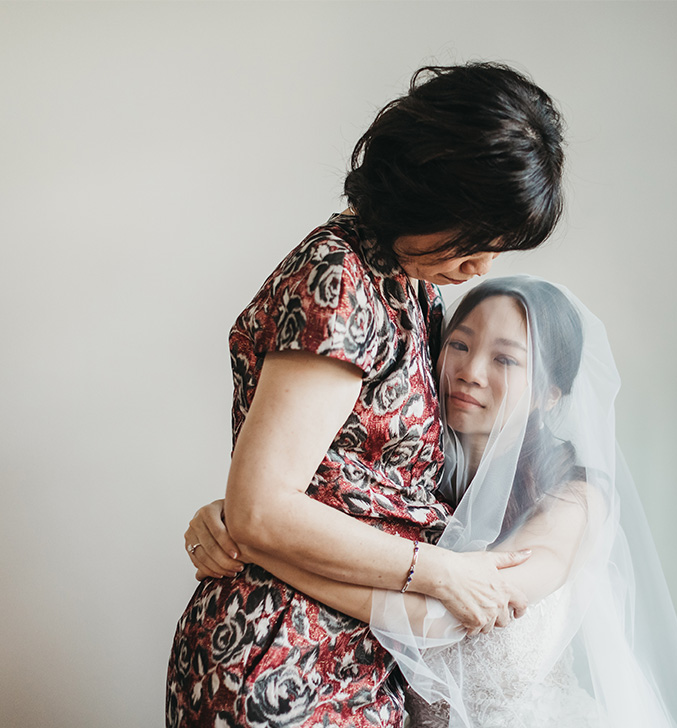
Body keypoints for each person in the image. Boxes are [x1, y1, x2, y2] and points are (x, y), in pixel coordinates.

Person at [166, 63, 565, 728]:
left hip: (348, 653)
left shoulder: (413, 285)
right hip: (282, 661)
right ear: (424, 187)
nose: (481, 270)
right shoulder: (342, 278)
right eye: (474, 240)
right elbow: (262, 507)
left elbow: (333, 478)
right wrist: (438, 571)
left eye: (496, 250)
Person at [189, 276, 677, 728]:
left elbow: (438, 621)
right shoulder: (409, 481)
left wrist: (259, 545)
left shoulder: (573, 500)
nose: (470, 371)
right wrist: (232, 516)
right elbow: (300, 516)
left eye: (504, 358)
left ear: (550, 393)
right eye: (459, 345)